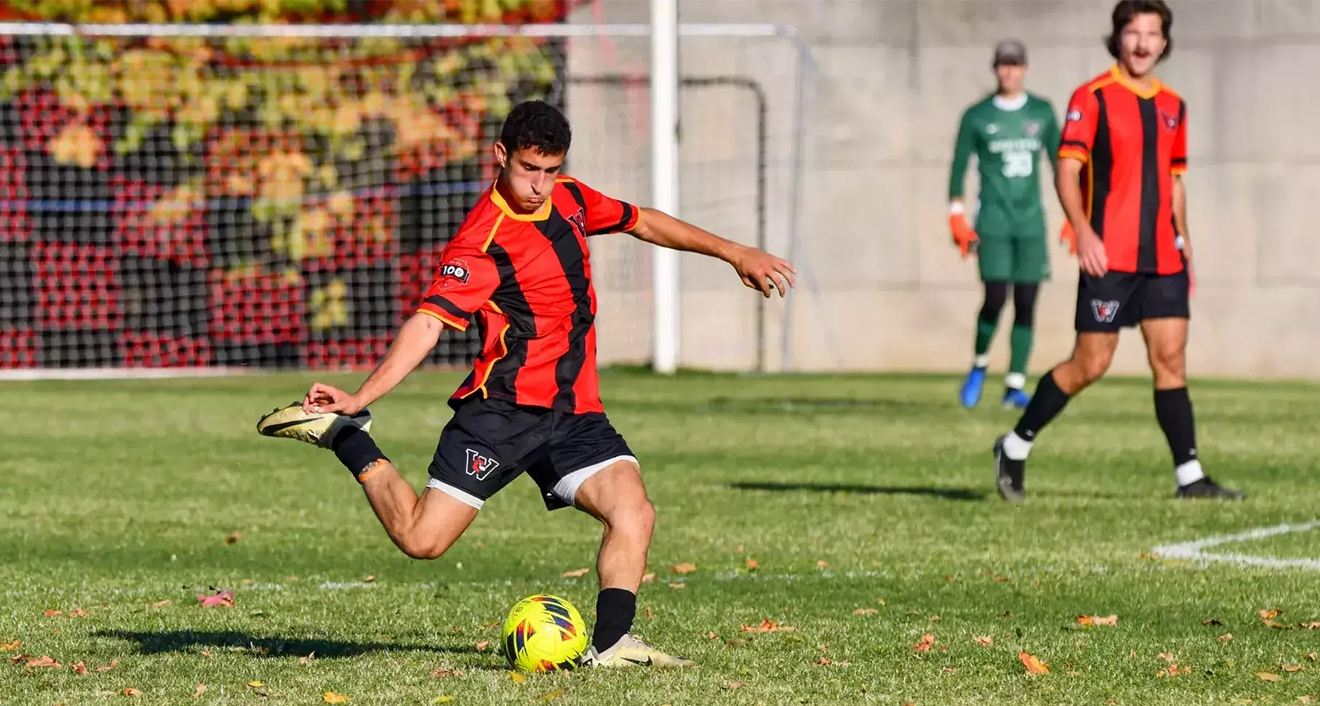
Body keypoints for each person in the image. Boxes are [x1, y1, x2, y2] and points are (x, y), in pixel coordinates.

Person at [256, 100, 797, 666]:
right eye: (528, 169)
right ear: (501, 156)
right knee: (422, 541)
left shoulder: (571, 199)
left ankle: (612, 642)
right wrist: (361, 396)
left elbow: (643, 220)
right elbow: (427, 324)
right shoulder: (479, 243)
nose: (539, 185)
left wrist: (733, 251)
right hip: (502, 414)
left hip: (574, 412)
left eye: (550, 169)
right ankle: (349, 436)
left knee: (633, 511)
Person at [992, 0, 1244, 502]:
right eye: (1134, 32)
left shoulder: (1174, 105)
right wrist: (1082, 231)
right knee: (1091, 363)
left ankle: (1189, 477)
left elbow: (1175, 181)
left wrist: (1184, 236)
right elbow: (1066, 171)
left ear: (1165, 42)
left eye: (1153, 33)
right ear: (1119, 37)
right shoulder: (1093, 97)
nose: (1143, 43)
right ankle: (1015, 445)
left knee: (1170, 358)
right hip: (1108, 255)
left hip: (1163, 258)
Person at [948, 39, 1062, 410]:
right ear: (995, 69)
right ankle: (979, 364)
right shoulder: (978, 116)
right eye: (1003, 65)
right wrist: (956, 214)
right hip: (994, 220)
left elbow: (1063, 165)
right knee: (996, 298)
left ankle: (1014, 384)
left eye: (1015, 64)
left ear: (1025, 68)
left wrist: (1077, 218)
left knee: (1027, 301)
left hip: (1030, 221)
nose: (1009, 71)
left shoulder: (1042, 112)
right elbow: (959, 165)